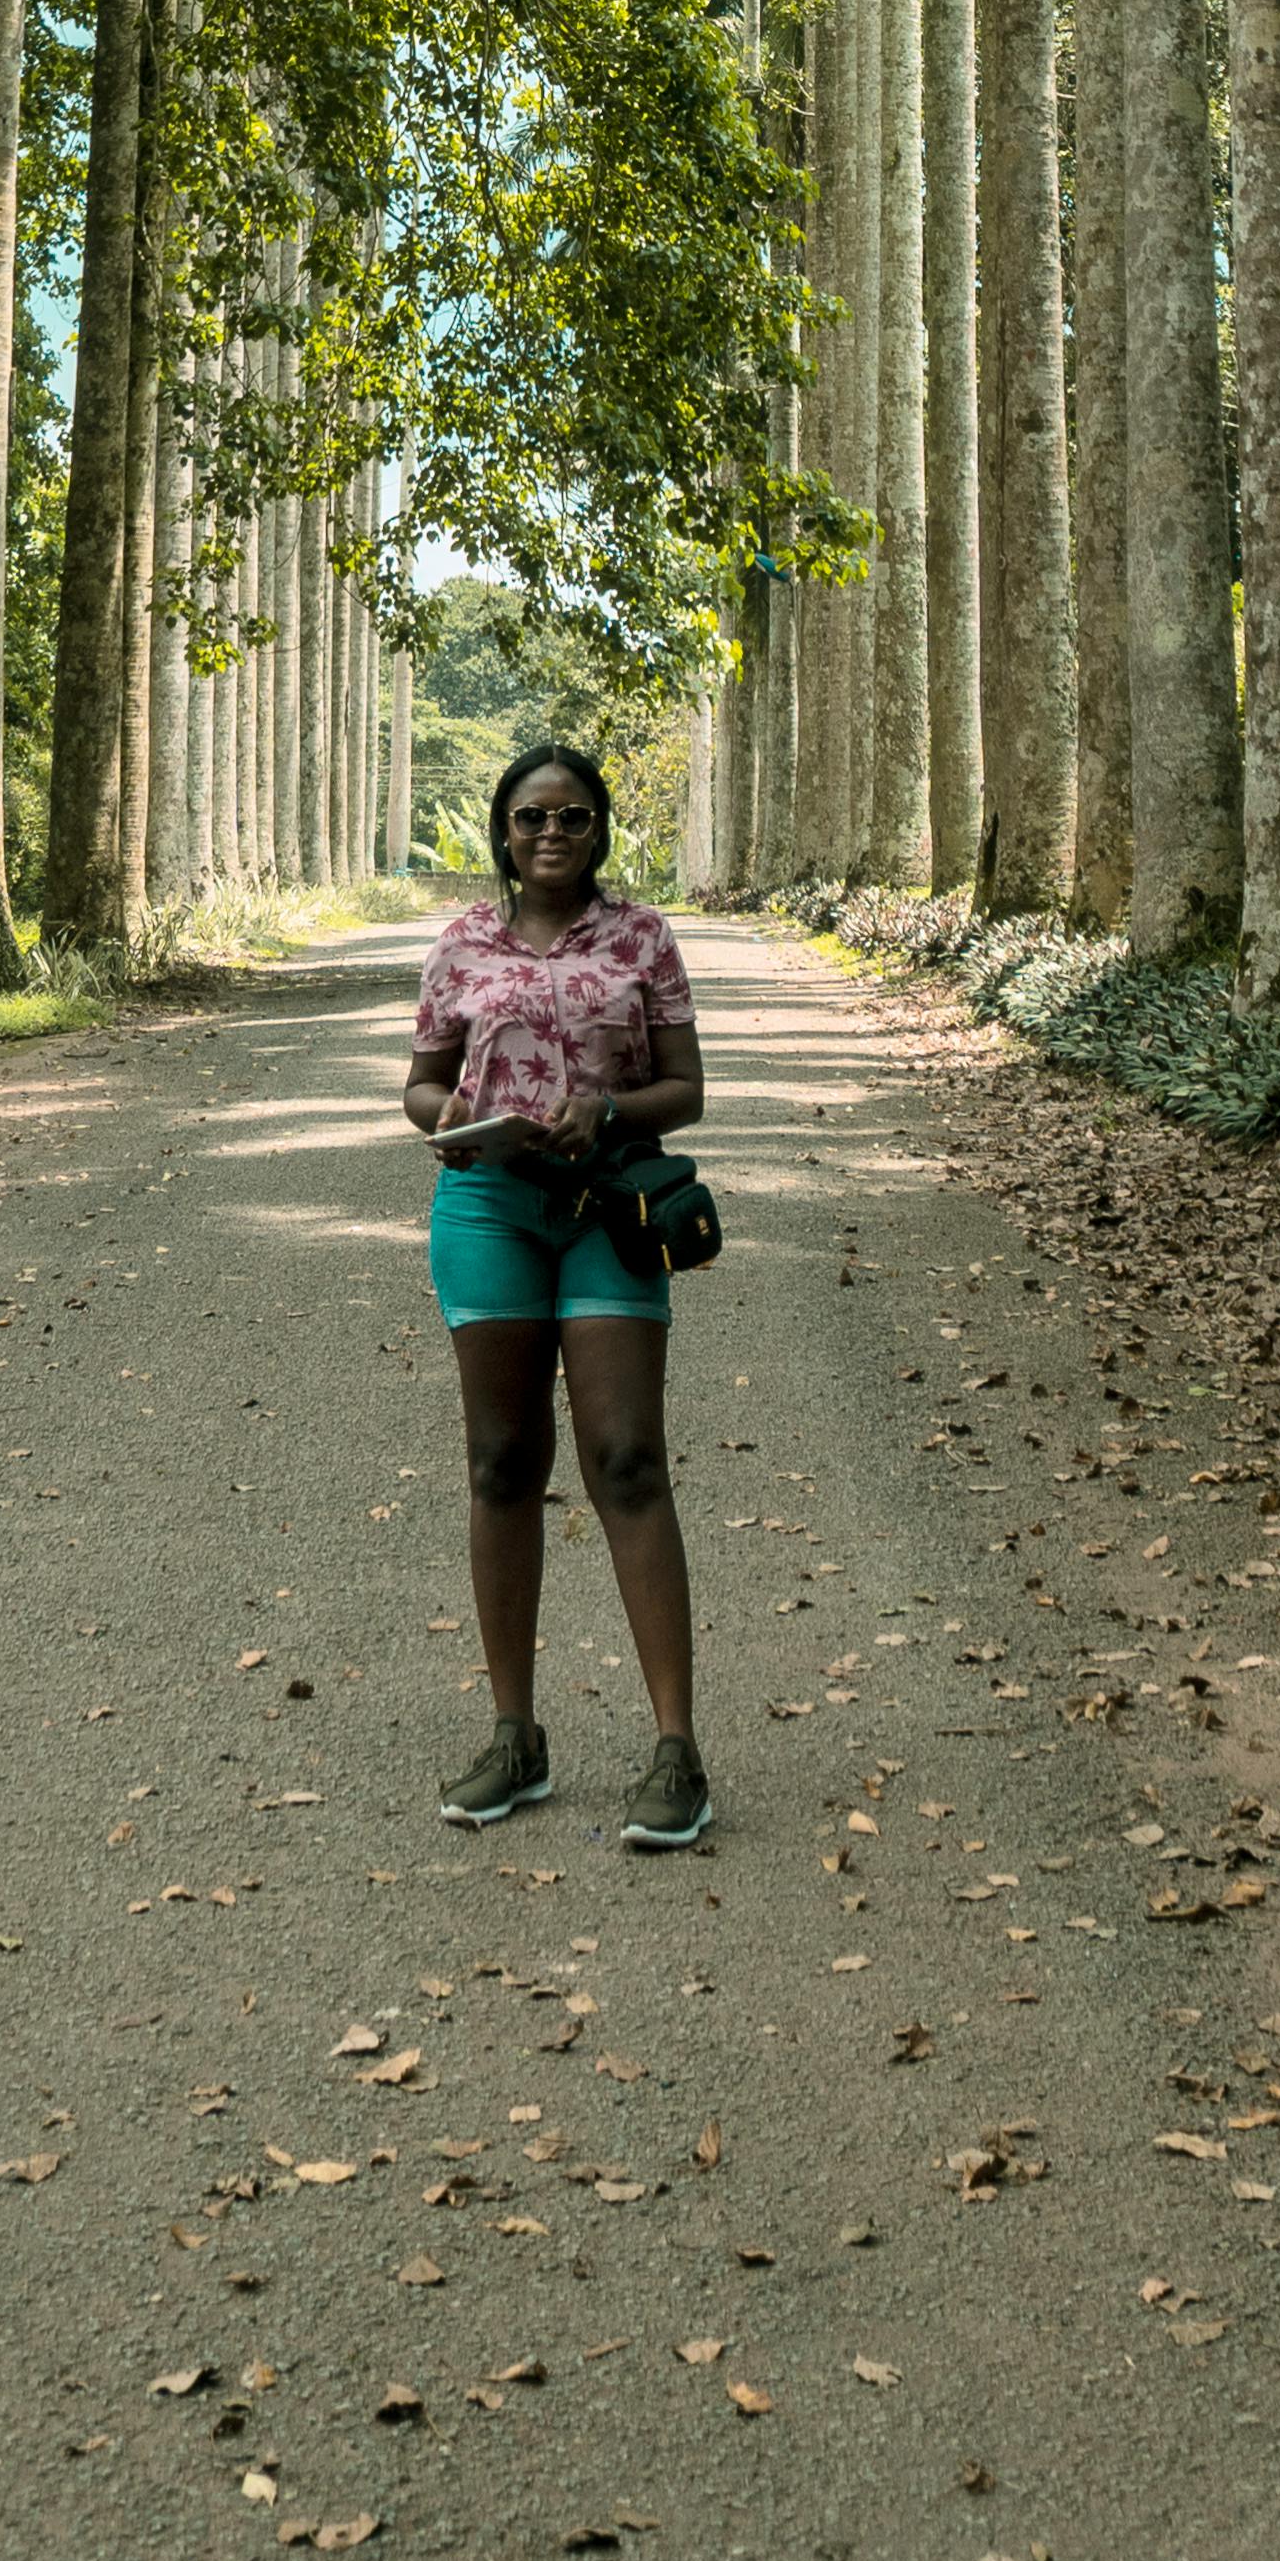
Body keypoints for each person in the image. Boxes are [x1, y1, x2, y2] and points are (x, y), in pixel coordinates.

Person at [402, 741, 709, 1848]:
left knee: (626, 1458)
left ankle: (675, 1747)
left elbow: (686, 1087)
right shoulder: (459, 945)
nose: (549, 835)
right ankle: (514, 1735)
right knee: (501, 1462)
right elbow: (422, 1083)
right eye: (530, 817)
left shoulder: (641, 939)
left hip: (604, 1207)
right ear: (502, 830)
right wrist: (455, 1125)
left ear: (597, 831)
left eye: (572, 818)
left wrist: (610, 1114)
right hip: (487, 1207)